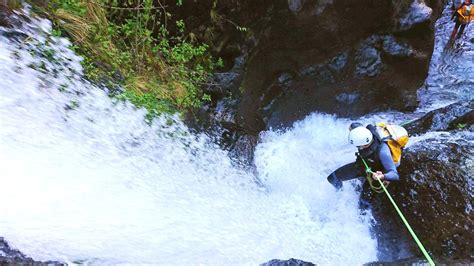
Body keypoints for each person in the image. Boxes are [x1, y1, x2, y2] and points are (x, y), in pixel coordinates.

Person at [327, 123, 399, 189]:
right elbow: (353, 126)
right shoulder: (364, 132)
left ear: (365, 145)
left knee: (364, 201)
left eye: (359, 146)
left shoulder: (383, 151)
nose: (358, 148)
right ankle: (340, 193)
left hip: (375, 171)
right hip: (362, 164)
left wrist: (383, 176)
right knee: (332, 178)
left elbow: (395, 174)